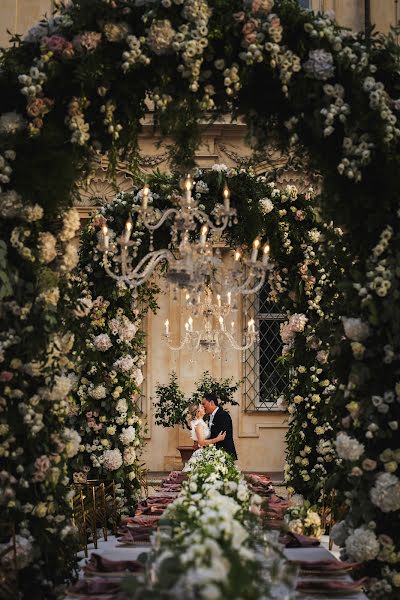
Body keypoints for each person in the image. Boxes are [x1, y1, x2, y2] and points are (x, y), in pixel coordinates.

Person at [201, 392, 238, 460]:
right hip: (213, 454)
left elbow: (221, 435)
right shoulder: (210, 417)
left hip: (223, 454)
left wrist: (203, 442)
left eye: (204, 404)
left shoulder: (223, 415)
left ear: (211, 402)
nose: (202, 407)